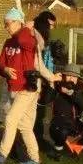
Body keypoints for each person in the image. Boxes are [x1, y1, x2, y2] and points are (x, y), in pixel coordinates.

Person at [0, 7, 57, 164]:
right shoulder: (8, 42)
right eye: (4, 24)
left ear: (18, 22)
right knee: (25, 126)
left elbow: (23, 42)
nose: (6, 27)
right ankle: (35, 159)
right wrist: (4, 70)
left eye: (8, 23)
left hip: (27, 88)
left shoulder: (28, 37)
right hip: (14, 88)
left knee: (11, 119)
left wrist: (25, 28)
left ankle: (1, 155)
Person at [32, 9, 65, 153]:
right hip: (37, 80)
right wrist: (51, 78)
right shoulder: (37, 38)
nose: (51, 28)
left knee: (39, 112)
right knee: (37, 113)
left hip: (42, 79)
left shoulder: (40, 37)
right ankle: (35, 140)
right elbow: (39, 64)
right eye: (50, 25)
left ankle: (36, 138)